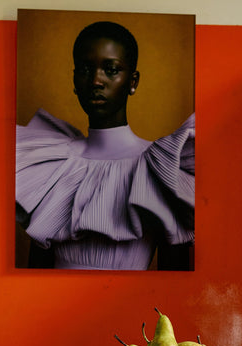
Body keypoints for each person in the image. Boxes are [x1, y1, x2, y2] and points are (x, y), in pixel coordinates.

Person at [16, 21, 195, 270]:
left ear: (133, 81)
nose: (96, 81)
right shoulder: (50, 165)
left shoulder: (160, 168)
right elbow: (33, 276)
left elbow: (176, 282)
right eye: (85, 69)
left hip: (133, 297)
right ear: (74, 79)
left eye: (111, 70)